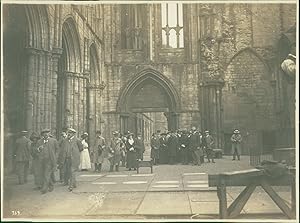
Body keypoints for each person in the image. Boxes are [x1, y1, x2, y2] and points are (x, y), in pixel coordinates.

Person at [35, 129, 58, 194]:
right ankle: (51, 185)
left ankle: (44, 188)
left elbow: (57, 149)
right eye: (44, 133)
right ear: (42, 135)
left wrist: (55, 157)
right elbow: (36, 150)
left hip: (50, 160)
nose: (45, 134)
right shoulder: (39, 141)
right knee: (44, 174)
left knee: (46, 174)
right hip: (42, 160)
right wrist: (39, 149)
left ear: (49, 133)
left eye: (47, 133)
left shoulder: (53, 141)